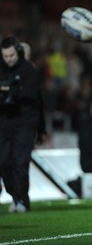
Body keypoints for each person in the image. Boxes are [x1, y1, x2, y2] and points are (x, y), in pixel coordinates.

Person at [0, 36, 43, 213]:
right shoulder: (1, 70)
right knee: (3, 163)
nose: (9, 59)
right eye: (5, 56)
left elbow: (34, 96)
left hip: (25, 123)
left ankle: (22, 200)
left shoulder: (29, 70)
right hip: (4, 123)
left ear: (17, 52)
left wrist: (13, 91)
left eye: (11, 55)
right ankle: (15, 195)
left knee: (20, 162)